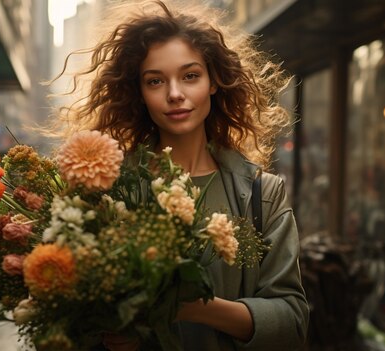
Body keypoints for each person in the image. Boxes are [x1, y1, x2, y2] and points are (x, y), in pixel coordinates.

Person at [51, 1, 309, 349]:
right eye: (155, 81)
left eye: (190, 76)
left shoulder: (262, 194)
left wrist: (192, 307)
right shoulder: (107, 190)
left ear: (214, 82)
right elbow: (65, 319)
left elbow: (293, 322)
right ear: (139, 93)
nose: (175, 94)